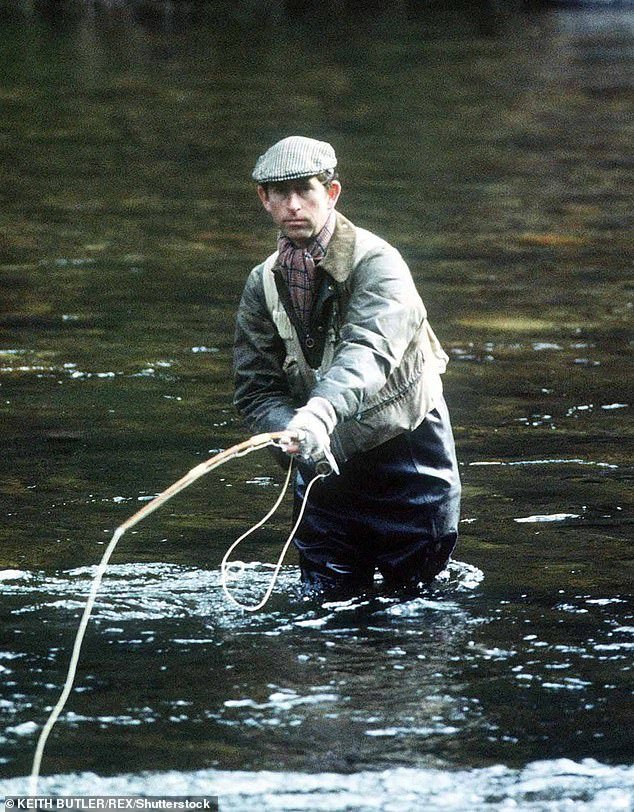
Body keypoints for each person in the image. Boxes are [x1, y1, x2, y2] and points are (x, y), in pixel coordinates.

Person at [233, 135, 461, 597]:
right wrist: (289, 433)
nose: (294, 205)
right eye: (281, 193)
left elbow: (368, 352)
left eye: (306, 190)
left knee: (414, 607)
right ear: (264, 199)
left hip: (408, 461)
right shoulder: (262, 283)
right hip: (321, 467)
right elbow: (256, 390)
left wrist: (318, 413)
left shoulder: (380, 264)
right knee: (324, 607)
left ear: (332, 193)